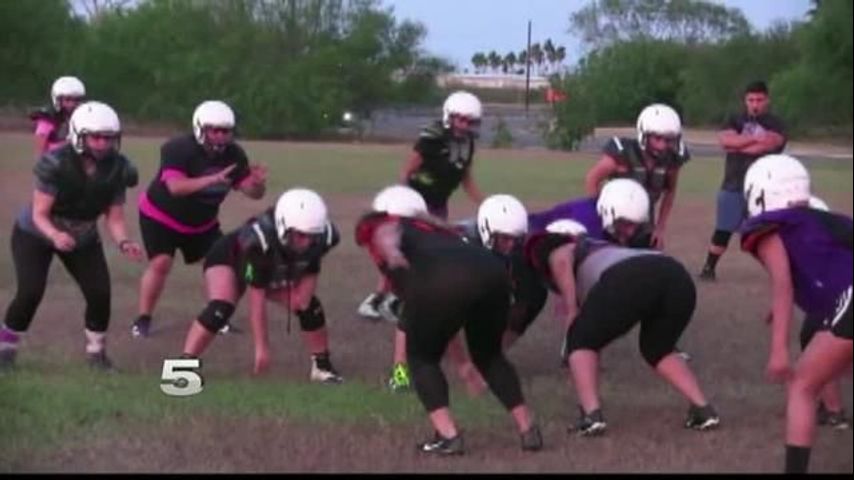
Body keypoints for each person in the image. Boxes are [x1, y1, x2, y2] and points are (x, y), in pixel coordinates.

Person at [355, 186, 542, 455]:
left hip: (440, 285)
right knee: (490, 356)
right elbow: (447, 319)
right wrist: (464, 364)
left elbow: (387, 233)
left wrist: (392, 253)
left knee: (420, 356)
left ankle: (446, 433)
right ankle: (528, 429)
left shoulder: (384, 226)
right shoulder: (439, 231)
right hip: (490, 272)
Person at [523, 183, 720, 436]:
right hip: (676, 275)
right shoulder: (605, 250)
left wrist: (572, 312)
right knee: (657, 348)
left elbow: (561, 260)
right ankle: (703, 409)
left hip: (630, 276)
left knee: (579, 340)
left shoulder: (559, 244)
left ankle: (591, 415)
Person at [0, 101, 143, 370]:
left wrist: (124, 241)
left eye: (108, 137)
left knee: (100, 293)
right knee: (30, 291)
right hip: (36, 232)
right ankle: (5, 349)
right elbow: (40, 213)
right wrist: (55, 235)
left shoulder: (119, 168)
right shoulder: (55, 162)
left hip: (83, 236)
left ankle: (96, 355)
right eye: (96, 136)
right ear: (79, 134)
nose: (102, 143)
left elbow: (114, 217)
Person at [738, 154, 852, 473]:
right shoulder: (831, 220)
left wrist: (778, 351)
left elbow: (784, 283)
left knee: (802, 386)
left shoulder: (769, 229)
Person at [132, 100, 267, 337]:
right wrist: (212, 179)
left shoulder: (234, 154)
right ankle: (142, 319)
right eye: (214, 130)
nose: (220, 136)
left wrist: (257, 184)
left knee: (224, 265)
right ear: (200, 129)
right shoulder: (178, 148)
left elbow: (252, 193)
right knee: (161, 263)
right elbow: (175, 187)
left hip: (202, 223)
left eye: (225, 131)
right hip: (161, 216)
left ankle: (218, 315)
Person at [180, 188, 343, 383]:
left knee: (309, 306)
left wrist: (301, 301)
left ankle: (322, 367)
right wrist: (261, 349)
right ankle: (182, 369)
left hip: (268, 265)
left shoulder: (326, 236)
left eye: (312, 235)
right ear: (284, 226)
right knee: (221, 307)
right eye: (301, 235)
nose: (307, 242)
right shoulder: (259, 242)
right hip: (229, 257)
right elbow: (256, 303)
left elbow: (307, 281)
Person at [358, 91, 486, 321]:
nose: (464, 125)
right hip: (415, 202)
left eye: (469, 121)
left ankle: (400, 299)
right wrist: (403, 202)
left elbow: (466, 178)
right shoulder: (431, 138)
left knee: (431, 252)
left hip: (438, 204)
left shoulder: (467, 144)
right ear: (450, 116)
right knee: (403, 249)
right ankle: (377, 299)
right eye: (461, 119)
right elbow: (407, 171)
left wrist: (486, 205)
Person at [699, 81, 787, 281]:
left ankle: (780, 271)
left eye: (759, 99)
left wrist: (739, 143)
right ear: (745, 101)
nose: (755, 104)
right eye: (751, 100)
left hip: (765, 189)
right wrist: (754, 139)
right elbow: (725, 141)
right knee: (723, 228)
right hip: (733, 183)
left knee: (767, 231)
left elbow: (767, 145)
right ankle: (708, 268)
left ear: (767, 100)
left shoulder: (777, 123)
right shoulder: (734, 118)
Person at [584, 103, 690, 249]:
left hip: (644, 220)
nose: (662, 145)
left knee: (648, 261)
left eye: (668, 139)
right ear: (644, 134)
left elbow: (670, 191)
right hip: (616, 219)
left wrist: (660, 227)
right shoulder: (623, 153)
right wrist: (596, 215)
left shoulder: (672, 159)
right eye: (657, 138)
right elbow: (592, 179)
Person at [29, 76, 86, 156]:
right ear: (58, 100)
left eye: (76, 100)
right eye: (68, 100)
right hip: (55, 162)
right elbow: (41, 150)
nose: (72, 104)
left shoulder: (83, 117)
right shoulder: (48, 119)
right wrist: (68, 144)